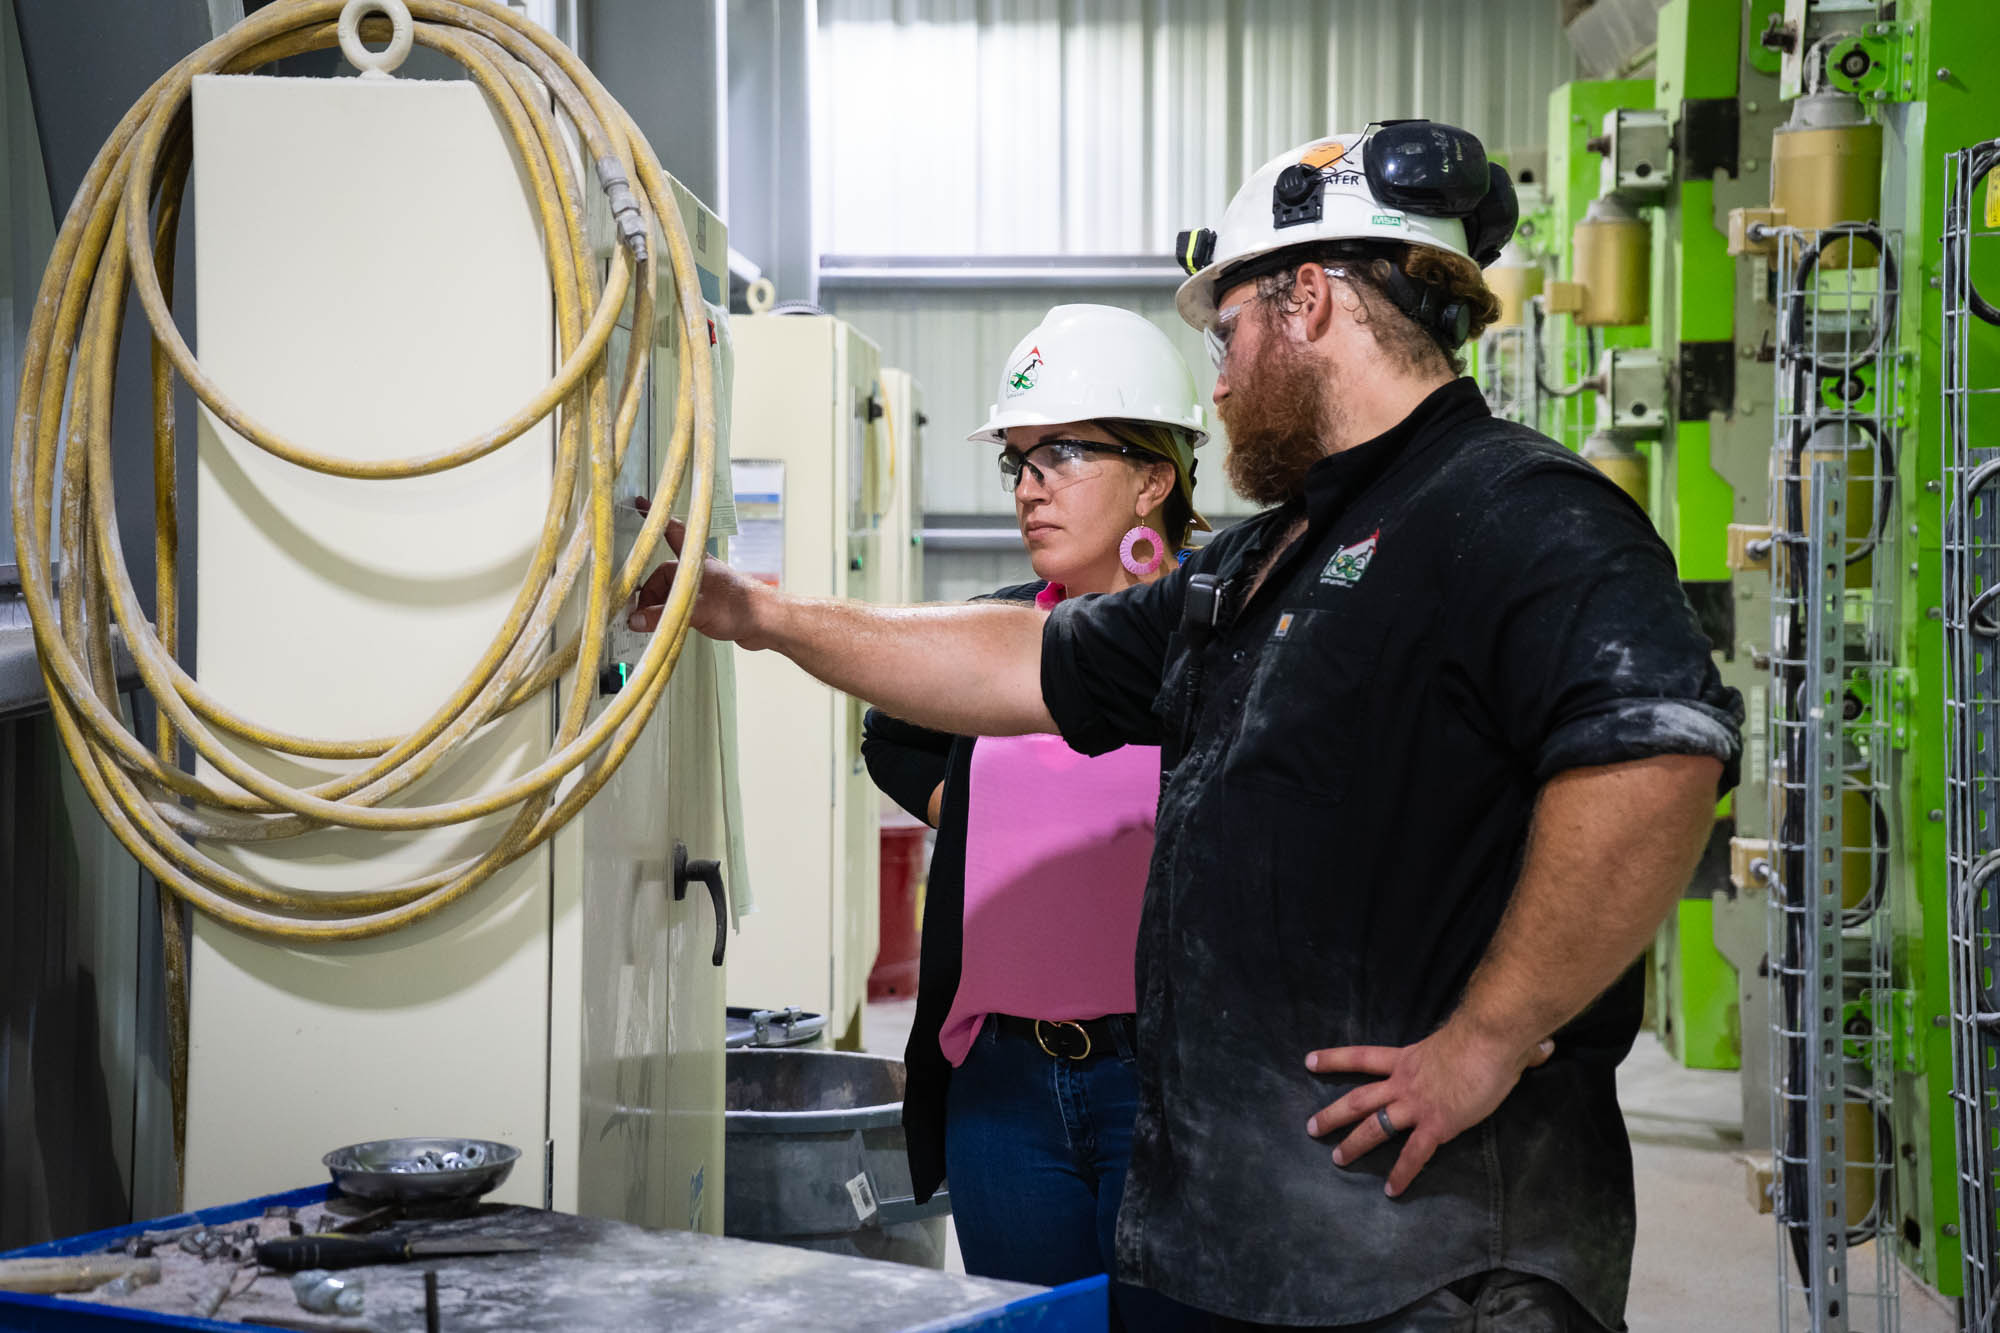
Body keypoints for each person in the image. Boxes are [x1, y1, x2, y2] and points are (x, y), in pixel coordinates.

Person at [633, 121, 1742, 1332]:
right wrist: (756, 612)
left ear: (1306, 299)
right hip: (1243, 1238)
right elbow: (1019, 657)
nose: (1214, 382)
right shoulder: (1271, 557)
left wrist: (1487, 1034)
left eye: (1225, 332)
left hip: (1424, 1261)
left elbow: (1654, 748)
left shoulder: (1512, 506)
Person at [859, 304, 1212, 1332]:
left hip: (1171, 1081)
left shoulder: (1222, 642)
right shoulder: (1003, 632)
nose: (1026, 486)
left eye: (1062, 453)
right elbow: (888, 732)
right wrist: (969, 811)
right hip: (1004, 1091)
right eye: (1018, 460)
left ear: (1153, 477)